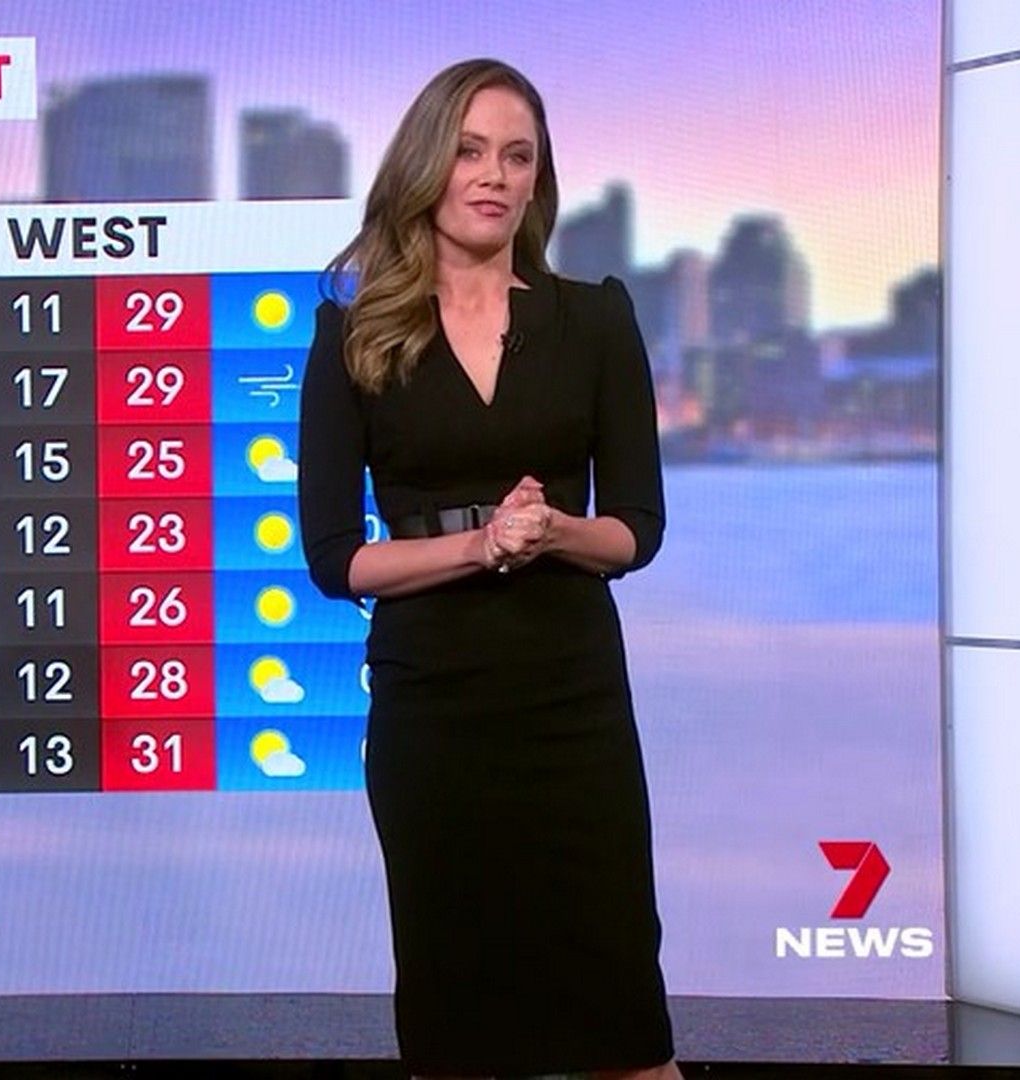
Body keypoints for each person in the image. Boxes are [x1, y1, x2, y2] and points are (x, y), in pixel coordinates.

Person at [296, 58, 681, 1080]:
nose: (494, 176)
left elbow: (636, 530)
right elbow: (335, 559)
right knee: (459, 1032)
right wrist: (477, 546)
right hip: (434, 709)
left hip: (570, 702)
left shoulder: (595, 320)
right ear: (426, 165)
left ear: (538, 178)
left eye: (517, 156)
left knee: (624, 1029)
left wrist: (551, 533)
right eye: (469, 151)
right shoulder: (354, 336)